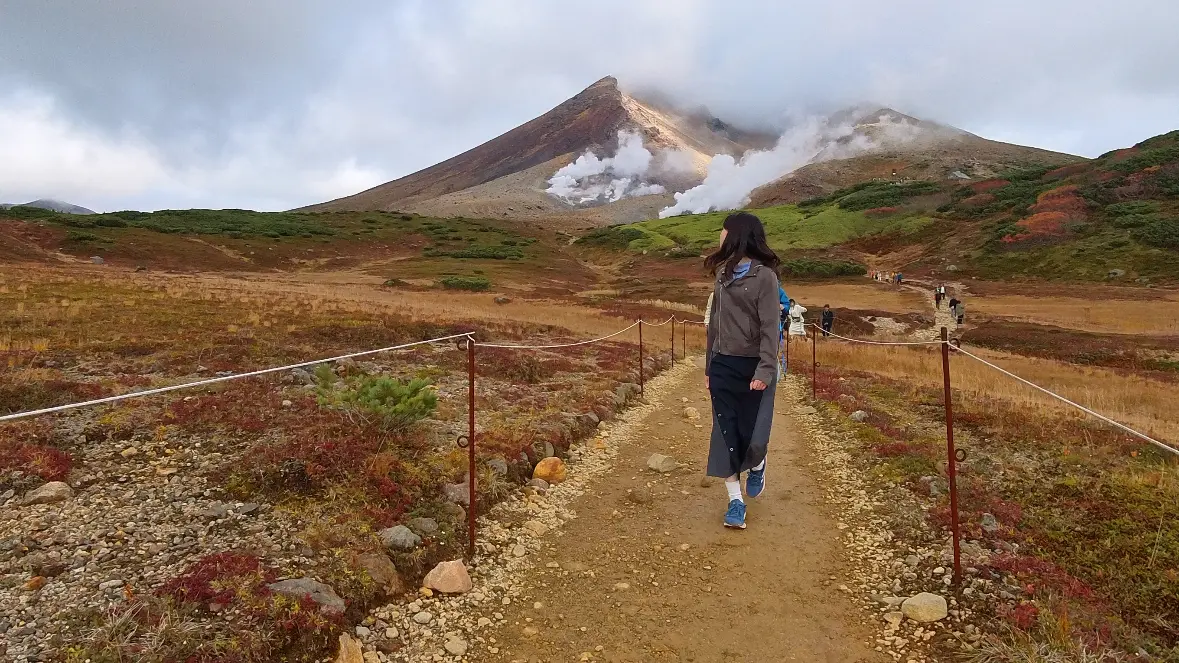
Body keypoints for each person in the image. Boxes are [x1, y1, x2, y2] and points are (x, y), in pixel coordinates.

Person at [704, 211, 781, 530]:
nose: (719, 236)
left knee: (753, 436)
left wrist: (765, 370)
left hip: (753, 367)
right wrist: (709, 365)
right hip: (722, 365)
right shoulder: (722, 273)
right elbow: (714, 324)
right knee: (725, 433)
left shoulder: (766, 277)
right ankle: (735, 501)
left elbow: (769, 327)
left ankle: (758, 463)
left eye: (723, 231)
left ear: (737, 234)